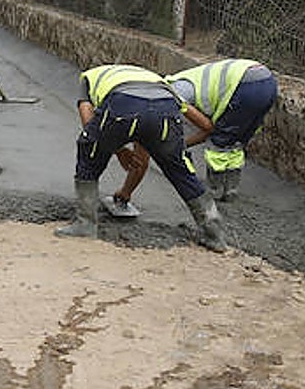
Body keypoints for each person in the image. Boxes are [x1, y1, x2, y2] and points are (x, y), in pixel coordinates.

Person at [55, 64, 227, 251]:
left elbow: (89, 125)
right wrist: (174, 150)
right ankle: (214, 235)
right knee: (181, 172)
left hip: (123, 105)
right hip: (166, 109)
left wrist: (118, 150)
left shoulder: (88, 77)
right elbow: (205, 125)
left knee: (88, 151)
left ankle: (85, 224)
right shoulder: (160, 83)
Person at [105, 58, 278, 210]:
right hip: (268, 83)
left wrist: (169, 148)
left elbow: (208, 129)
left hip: (245, 85)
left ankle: (214, 193)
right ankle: (231, 190)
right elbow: (207, 129)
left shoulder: (172, 93)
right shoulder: (183, 85)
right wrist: (179, 146)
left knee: (219, 144)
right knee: (235, 141)